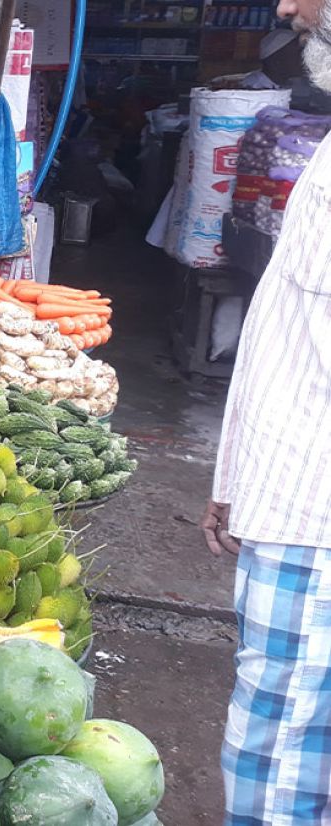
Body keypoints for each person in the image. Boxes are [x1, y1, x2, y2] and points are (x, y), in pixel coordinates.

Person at [206, 1, 331, 822]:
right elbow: (292, 332)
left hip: (316, 519)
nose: (287, 8)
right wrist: (234, 473)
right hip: (288, 496)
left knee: (279, 766)